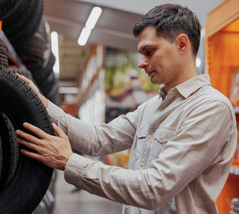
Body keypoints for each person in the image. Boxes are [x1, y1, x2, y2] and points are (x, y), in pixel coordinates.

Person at [15, 3, 237, 214]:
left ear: (181, 44)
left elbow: (154, 188)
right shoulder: (151, 107)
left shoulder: (210, 109)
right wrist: (41, 102)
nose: (141, 62)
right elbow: (97, 140)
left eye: (149, 52)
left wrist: (69, 161)